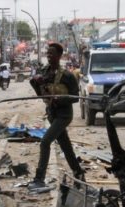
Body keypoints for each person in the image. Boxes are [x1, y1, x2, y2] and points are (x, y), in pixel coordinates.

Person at [28, 43, 85, 190]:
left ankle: (39, 178)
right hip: (52, 115)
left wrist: (59, 99)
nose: (49, 56)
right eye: (47, 53)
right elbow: (40, 94)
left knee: (45, 142)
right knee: (66, 147)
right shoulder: (44, 72)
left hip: (64, 115)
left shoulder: (67, 76)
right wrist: (35, 82)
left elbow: (75, 98)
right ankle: (79, 174)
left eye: (52, 53)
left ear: (59, 56)